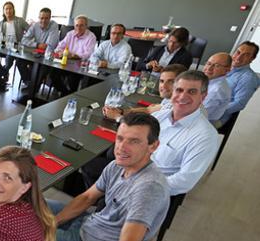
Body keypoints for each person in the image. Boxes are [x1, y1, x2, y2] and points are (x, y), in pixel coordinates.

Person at [46, 113, 170, 241]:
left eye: (134, 141)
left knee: (24, 230)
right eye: (120, 138)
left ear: (153, 146)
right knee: (34, 205)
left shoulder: (149, 188)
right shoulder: (117, 164)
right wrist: (55, 222)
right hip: (89, 222)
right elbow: (87, 198)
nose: (121, 147)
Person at [85, 71, 218, 196]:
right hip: (131, 168)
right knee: (92, 163)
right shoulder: (161, 116)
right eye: (179, 90)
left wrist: (136, 184)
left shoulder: (206, 136)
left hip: (148, 190)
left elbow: (184, 182)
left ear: (203, 96)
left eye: (192, 92)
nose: (183, 96)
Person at [102, 64, 186, 120]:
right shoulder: (171, 99)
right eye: (162, 81)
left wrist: (117, 117)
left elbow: (145, 131)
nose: (163, 86)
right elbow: (148, 110)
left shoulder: (177, 109)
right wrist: (121, 111)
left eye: (171, 82)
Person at [51, 15, 97, 95]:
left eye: (82, 25)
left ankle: (68, 95)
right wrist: (60, 52)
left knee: (73, 79)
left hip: (79, 65)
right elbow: (59, 47)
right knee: (52, 72)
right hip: (66, 62)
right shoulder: (70, 34)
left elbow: (88, 54)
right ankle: (65, 93)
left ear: (86, 26)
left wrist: (73, 55)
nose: (79, 28)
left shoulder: (91, 37)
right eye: (77, 25)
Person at [17, 7, 60, 90]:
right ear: (38, 17)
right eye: (41, 18)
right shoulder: (35, 25)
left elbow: (50, 45)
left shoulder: (54, 25)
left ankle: (33, 88)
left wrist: (43, 52)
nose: (43, 21)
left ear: (50, 18)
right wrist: (37, 44)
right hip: (35, 54)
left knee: (42, 67)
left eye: (46, 18)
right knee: (20, 61)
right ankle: (29, 83)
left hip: (47, 57)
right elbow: (23, 40)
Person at [0, 1, 29, 83]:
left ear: (13, 10)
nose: (8, 11)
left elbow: (30, 32)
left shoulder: (20, 21)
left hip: (15, 47)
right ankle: (3, 72)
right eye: (6, 9)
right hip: (3, 47)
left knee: (9, 58)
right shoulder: (1, 22)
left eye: (10, 8)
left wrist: (24, 41)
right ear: (4, 11)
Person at [221, 41, 259, 126]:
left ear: (252, 58)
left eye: (246, 55)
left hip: (217, 116)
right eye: (238, 52)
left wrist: (213, 110)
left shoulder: (248, 78)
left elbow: (239, 104)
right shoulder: (225, 67)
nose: (239, 57)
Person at [201, 52, 232, 125]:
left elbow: (199, 114)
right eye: (208, 63)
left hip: (202, 123)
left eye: (216, 66)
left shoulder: (217, 90)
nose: (209, 68)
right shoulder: (208, 80)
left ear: (227, 70)